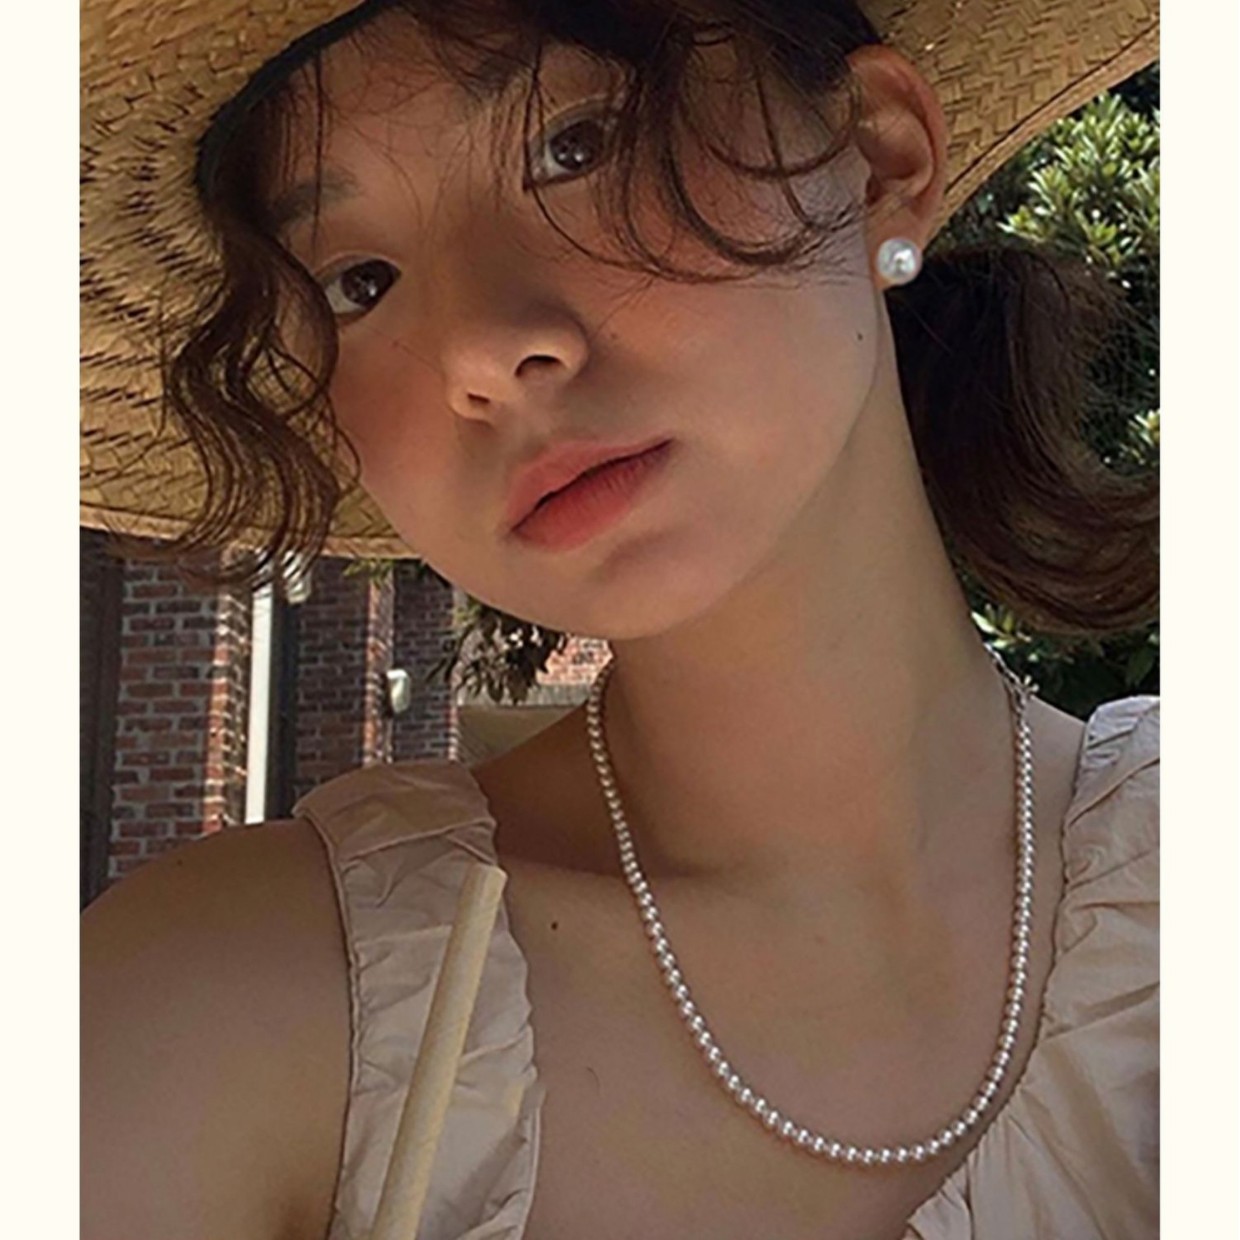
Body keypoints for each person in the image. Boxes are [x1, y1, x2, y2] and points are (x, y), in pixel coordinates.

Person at [80, 1, 1160, 1238]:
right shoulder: (244, 1000)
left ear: (875, 160)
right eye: (357, 282)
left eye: (575, 147)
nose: (481, 349)